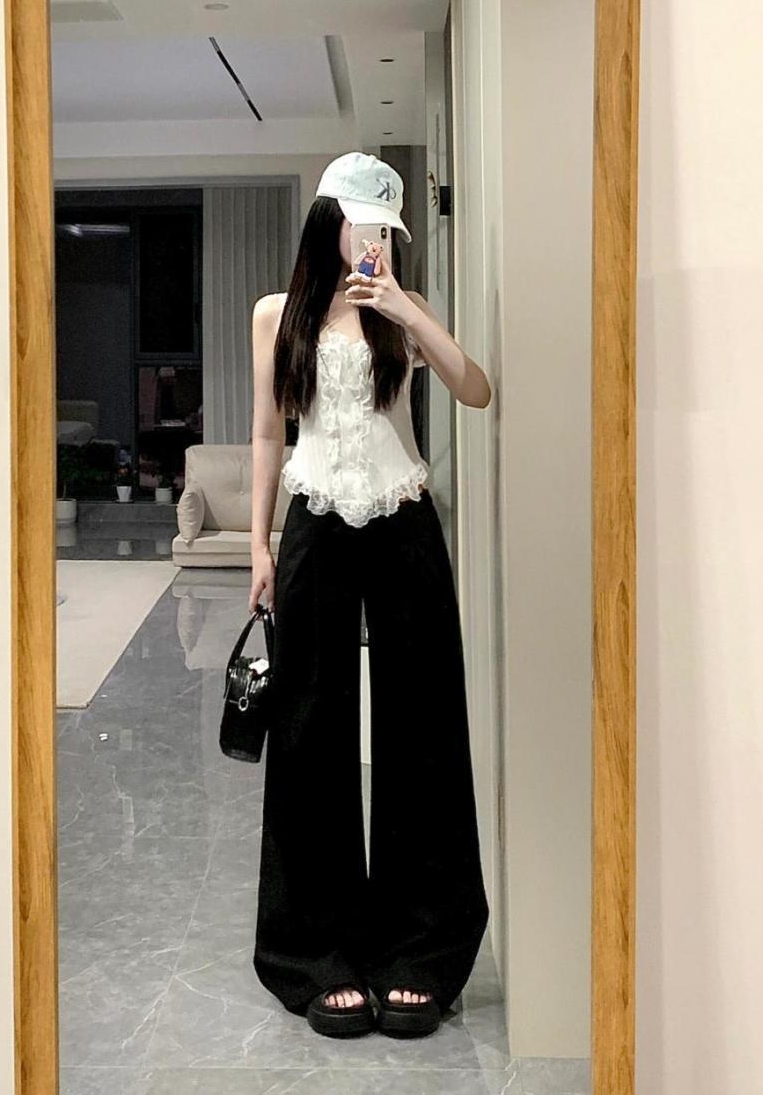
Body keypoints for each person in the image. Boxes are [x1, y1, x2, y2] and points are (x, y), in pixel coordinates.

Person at [248, 152, 493, 1039]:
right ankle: (318, 951)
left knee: (422, 727)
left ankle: (420, 951)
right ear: (330, 222)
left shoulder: (401, 310)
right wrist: (258, 543)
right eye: (365, 225)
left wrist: (403, 308)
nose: (377, 242)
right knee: (308, 728)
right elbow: (267, 431)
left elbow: (476, 389)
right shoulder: (277, 314)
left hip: (403, 518)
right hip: (314, 518)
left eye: (388, 230)